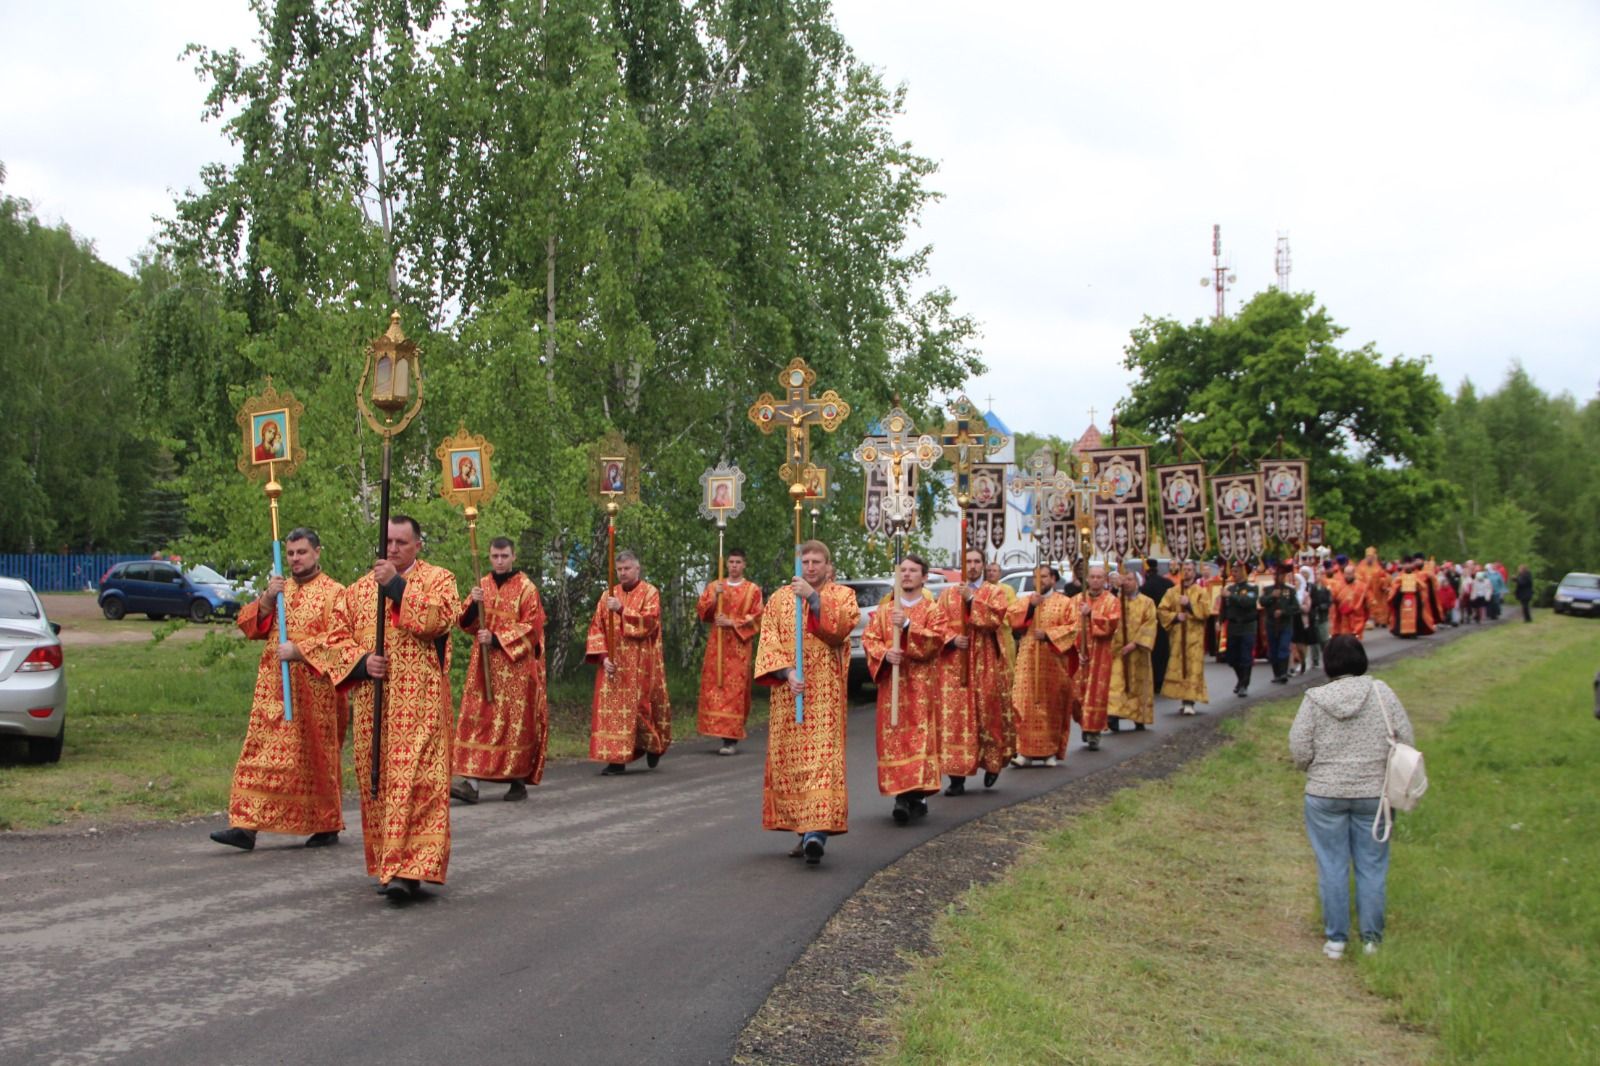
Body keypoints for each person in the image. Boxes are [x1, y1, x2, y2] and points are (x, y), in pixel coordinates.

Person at [326, 515, 460, 901]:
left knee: (418, 783)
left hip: (422, 706)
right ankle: (390, 862)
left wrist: (397, 587)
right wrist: (362, 662)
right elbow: (334, 639)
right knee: (380, 783)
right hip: (375, 707)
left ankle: (412, 870)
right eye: (388, 541)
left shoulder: (440, 580)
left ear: (418, 545)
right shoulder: (356, 591)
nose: (393, 549)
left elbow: (440, 619)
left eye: (402, 542)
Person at [210, 528, 347, 852]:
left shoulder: (335, 593)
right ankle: (245, 825)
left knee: (314, 760)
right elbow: (248, 626)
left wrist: (300, 651)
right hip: (273, 690)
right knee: (259, 753)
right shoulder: (280, 590)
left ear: (317, 552)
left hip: (316, 695)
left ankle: (326, 823)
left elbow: (341, 642)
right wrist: (268, 599)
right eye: (290, 554)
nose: (296, 559)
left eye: (302, 552)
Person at [1288, 635, 1414, 958]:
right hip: (1374, 793)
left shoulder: (1315, 698)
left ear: (1328, 664)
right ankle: (1371, 939)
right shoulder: (1381, 693)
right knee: (1372, 865)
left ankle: (1336, 939)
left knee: (1332, 864)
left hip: (1325, 792)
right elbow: (1405, 738)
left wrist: (1314, 767)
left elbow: (1299, 748)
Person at [753, 539, 860, 864]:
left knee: (822, 763)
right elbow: (768, 640)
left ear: (828, 566)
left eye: (817, 562)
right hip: (790, 697)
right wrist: (786, 672)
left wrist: (813, 599)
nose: (811, 567)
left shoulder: (842, 596)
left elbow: (840, 629)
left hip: (824, 698)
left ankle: (817, 833)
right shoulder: (779, 599)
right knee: (793, 766)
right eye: (806, 562)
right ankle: (804, 831)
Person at [449, 537, 547, 804]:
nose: (500, 561)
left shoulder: (527, 588)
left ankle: (516, 781)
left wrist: (495, 638)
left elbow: (533, 628)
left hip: (515, 669)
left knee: (513, 725)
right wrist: (472, 605)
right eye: (495, 556)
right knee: (476, 719)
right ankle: (471, 784)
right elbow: (464, 622)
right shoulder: (482, 585)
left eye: (504, 556)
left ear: (513, 556)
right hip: (483, 666)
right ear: (489, 557)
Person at [862, 555, 945, 824]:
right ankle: (903, 796)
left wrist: (909, 626)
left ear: (924, 577)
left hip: (921, 688)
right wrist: (886, 655)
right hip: (892, 688)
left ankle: (912, 796)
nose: (907, 575)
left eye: (913, 571)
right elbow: (869, 639)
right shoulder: (885, 611)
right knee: (895, 738)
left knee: (918, 739)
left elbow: (937, 641)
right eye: (903, 571)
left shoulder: (933, 610)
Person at [937, 548, 1016, 795]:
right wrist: (951, 639)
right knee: (956, 719)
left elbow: (994, 619)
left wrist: (971, 599)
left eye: (976, 561)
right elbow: (936, 624)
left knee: (987, 713)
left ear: (983, 564)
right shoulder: (947, 594)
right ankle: (956, 777)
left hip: (985, 661)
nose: (971, 566)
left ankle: (992, 764)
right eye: (967, 562)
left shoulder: (994, 592)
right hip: (955, 665)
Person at [585, 550, 671, 774]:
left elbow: (650, 623)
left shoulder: (650, 592)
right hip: (612, 665)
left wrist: (622, 610)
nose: (623, 573)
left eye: (627, 569)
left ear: (637, 569)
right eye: (619, 569)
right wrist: (603, 658)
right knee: (612, 712)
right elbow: (596, 628)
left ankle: (653, 745)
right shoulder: (607, 596)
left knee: (638, 709)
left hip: (639, 664)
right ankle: (616, 760)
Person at [696, 548, 764, 755]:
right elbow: (702, 612)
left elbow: (757, 617)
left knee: (735, 691)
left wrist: (732, 622)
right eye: (731, 562)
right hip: (717, 646)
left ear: (744, 565)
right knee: (715, 687)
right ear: (726, 564)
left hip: (738, 648)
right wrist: (715, 599)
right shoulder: (715, 586)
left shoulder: (753, 590)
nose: (734, 566)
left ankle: (731, 739)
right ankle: (715, 729)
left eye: (738, 562)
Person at [1007, 564, 1075, 766]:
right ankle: (1023, 752)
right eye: (1036, 577)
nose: (1040, 581)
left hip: (1053, 663)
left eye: (1044, 577)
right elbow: (1012, 621)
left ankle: (1049, 752)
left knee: (1051, 704)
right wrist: (1030, 608)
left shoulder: (1064, 603)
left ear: (1053, 579)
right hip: (1028, 660)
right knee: (1023, 703)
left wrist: (1048, 635)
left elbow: (1073, 628)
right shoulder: (1026, 600)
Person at [1069, 563, 1123, 750]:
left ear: (1105, 579)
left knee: (1096, 695)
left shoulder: (1111, 601)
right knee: (1077, 695)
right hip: (1079, 654)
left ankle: (1094, 732)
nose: (1095, 580)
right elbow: (1069, 626)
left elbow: (1112, 624)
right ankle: (1085, 724)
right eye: (1092, 576)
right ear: (1087, 578)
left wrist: (1092, 614)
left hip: (1100, 654)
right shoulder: (1076, 600)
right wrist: (1076, 650)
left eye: (1100, 577)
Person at [1158, 560, 1210, 715]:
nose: (1187, 572)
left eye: (1190, 569)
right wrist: (1175, 617)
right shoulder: (1172, 592)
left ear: (1194, 572)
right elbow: (1161, 610)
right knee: (1180, 668)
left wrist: (1189, 605)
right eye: (1185, 569)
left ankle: (1190, 701)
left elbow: (1206, 611)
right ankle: (1183, 698)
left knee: (1192, 669)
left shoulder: (1201, 591)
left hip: (1195, 638)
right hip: (1178, 637)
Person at [1107, 568, 1156, 731]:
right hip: (1119, 651)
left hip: (1138, 652)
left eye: (1130, 579)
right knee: (1116, 684)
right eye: (1125, 579)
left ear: (1137, 582)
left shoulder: (1147, 602)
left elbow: (1149, 625)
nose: (1127, 583)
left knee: (1137, 685)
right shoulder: (1116, 601)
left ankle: (1138, 716)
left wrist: (1135, 644)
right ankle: (1113, 716)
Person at [1220, 560, 1260, 697]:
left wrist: (1231, 596)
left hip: (1247, 626)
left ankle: (1244, 684)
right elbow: (1224, 608)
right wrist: (1220, 620)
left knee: (1245, 657)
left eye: (1236, 571)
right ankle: (1240, 679)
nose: (1233, 574)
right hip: (1233, 627)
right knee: (1232, 658)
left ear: (1243, 572)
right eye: (1233, 571)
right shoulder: (1230, 589)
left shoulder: (1251, 588)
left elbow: (1247, 602)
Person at [1261, 563, 1299, 684]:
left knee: (1283, 647)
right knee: (1273, 649)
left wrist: (1283, 612)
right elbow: (1262, 602)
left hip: (1285, 624)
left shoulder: (1290, 590)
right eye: (1277, 575)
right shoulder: (1268, 590)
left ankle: (1283, 672)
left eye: (1282, 575)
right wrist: (1272, 596)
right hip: (1271, 623)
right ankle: (1276, 673)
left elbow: (1295, 607)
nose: (1279, 577)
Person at [1141, 558, 1173, 693]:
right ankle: (1163, 679)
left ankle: (1154, 680)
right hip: (1165, 622)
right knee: (1164, 651)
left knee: (1153, 652)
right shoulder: (1167, 583)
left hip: (1151, 622)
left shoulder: (1145, 587)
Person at [1331, 562, 1369, 640]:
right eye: (1346, 574)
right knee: (1344, 635)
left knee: (1355, 635)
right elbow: (1333, 597)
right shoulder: (1338, 585)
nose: (1348, 576)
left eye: (1350, 574)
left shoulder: (1361, 586)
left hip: (1356, 615)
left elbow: (1367, 600)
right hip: (1342, 615)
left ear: (1354, 574)